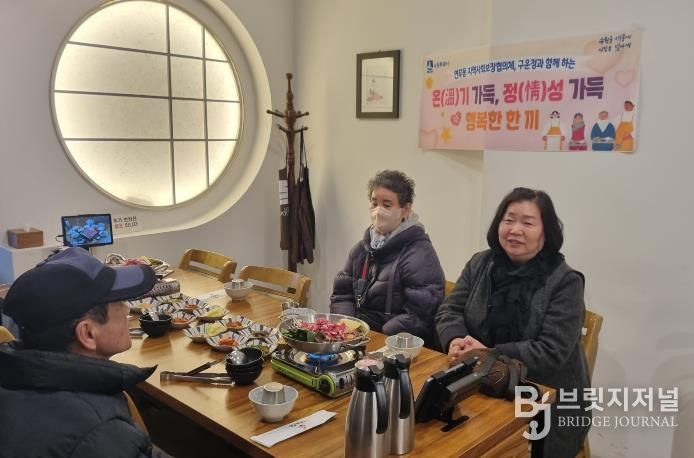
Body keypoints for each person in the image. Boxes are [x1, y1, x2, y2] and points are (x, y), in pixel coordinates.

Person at [435, 187, 590, 458]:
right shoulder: (480, 263)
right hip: (479, 383)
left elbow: (551, 351)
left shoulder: (566, 282)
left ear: (546, 232)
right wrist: (456, 339)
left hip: (544, 399)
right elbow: (450, 309)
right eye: (509, 220)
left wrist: (487, 355)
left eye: (527, 223)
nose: (515, 230)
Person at [0, 247, 171, 458]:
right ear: (88, 333)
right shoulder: (99, 432)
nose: (127, 309)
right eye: (118, 302)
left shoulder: (14, 381)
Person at [331, 170, 445, 346]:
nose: (378, 211)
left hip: (396, 344)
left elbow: (419, 315)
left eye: (387, 205)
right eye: (374, 203)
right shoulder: (362, 249)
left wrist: (379, 338)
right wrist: (347, 327)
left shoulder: (419, 254)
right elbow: (342, 294)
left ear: (406, 209)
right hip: (358, 338)